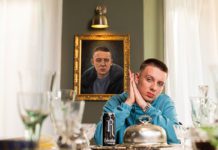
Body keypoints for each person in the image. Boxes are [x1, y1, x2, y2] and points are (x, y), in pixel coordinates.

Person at [94, 58, 180, 144]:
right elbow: (101, 141)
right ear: (137, 78)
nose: (154, 88)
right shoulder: (115, 101)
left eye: (160, 84)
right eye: (149, 79)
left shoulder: (165, 102)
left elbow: (178, 138)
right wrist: (128, 103)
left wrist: (145, 106)